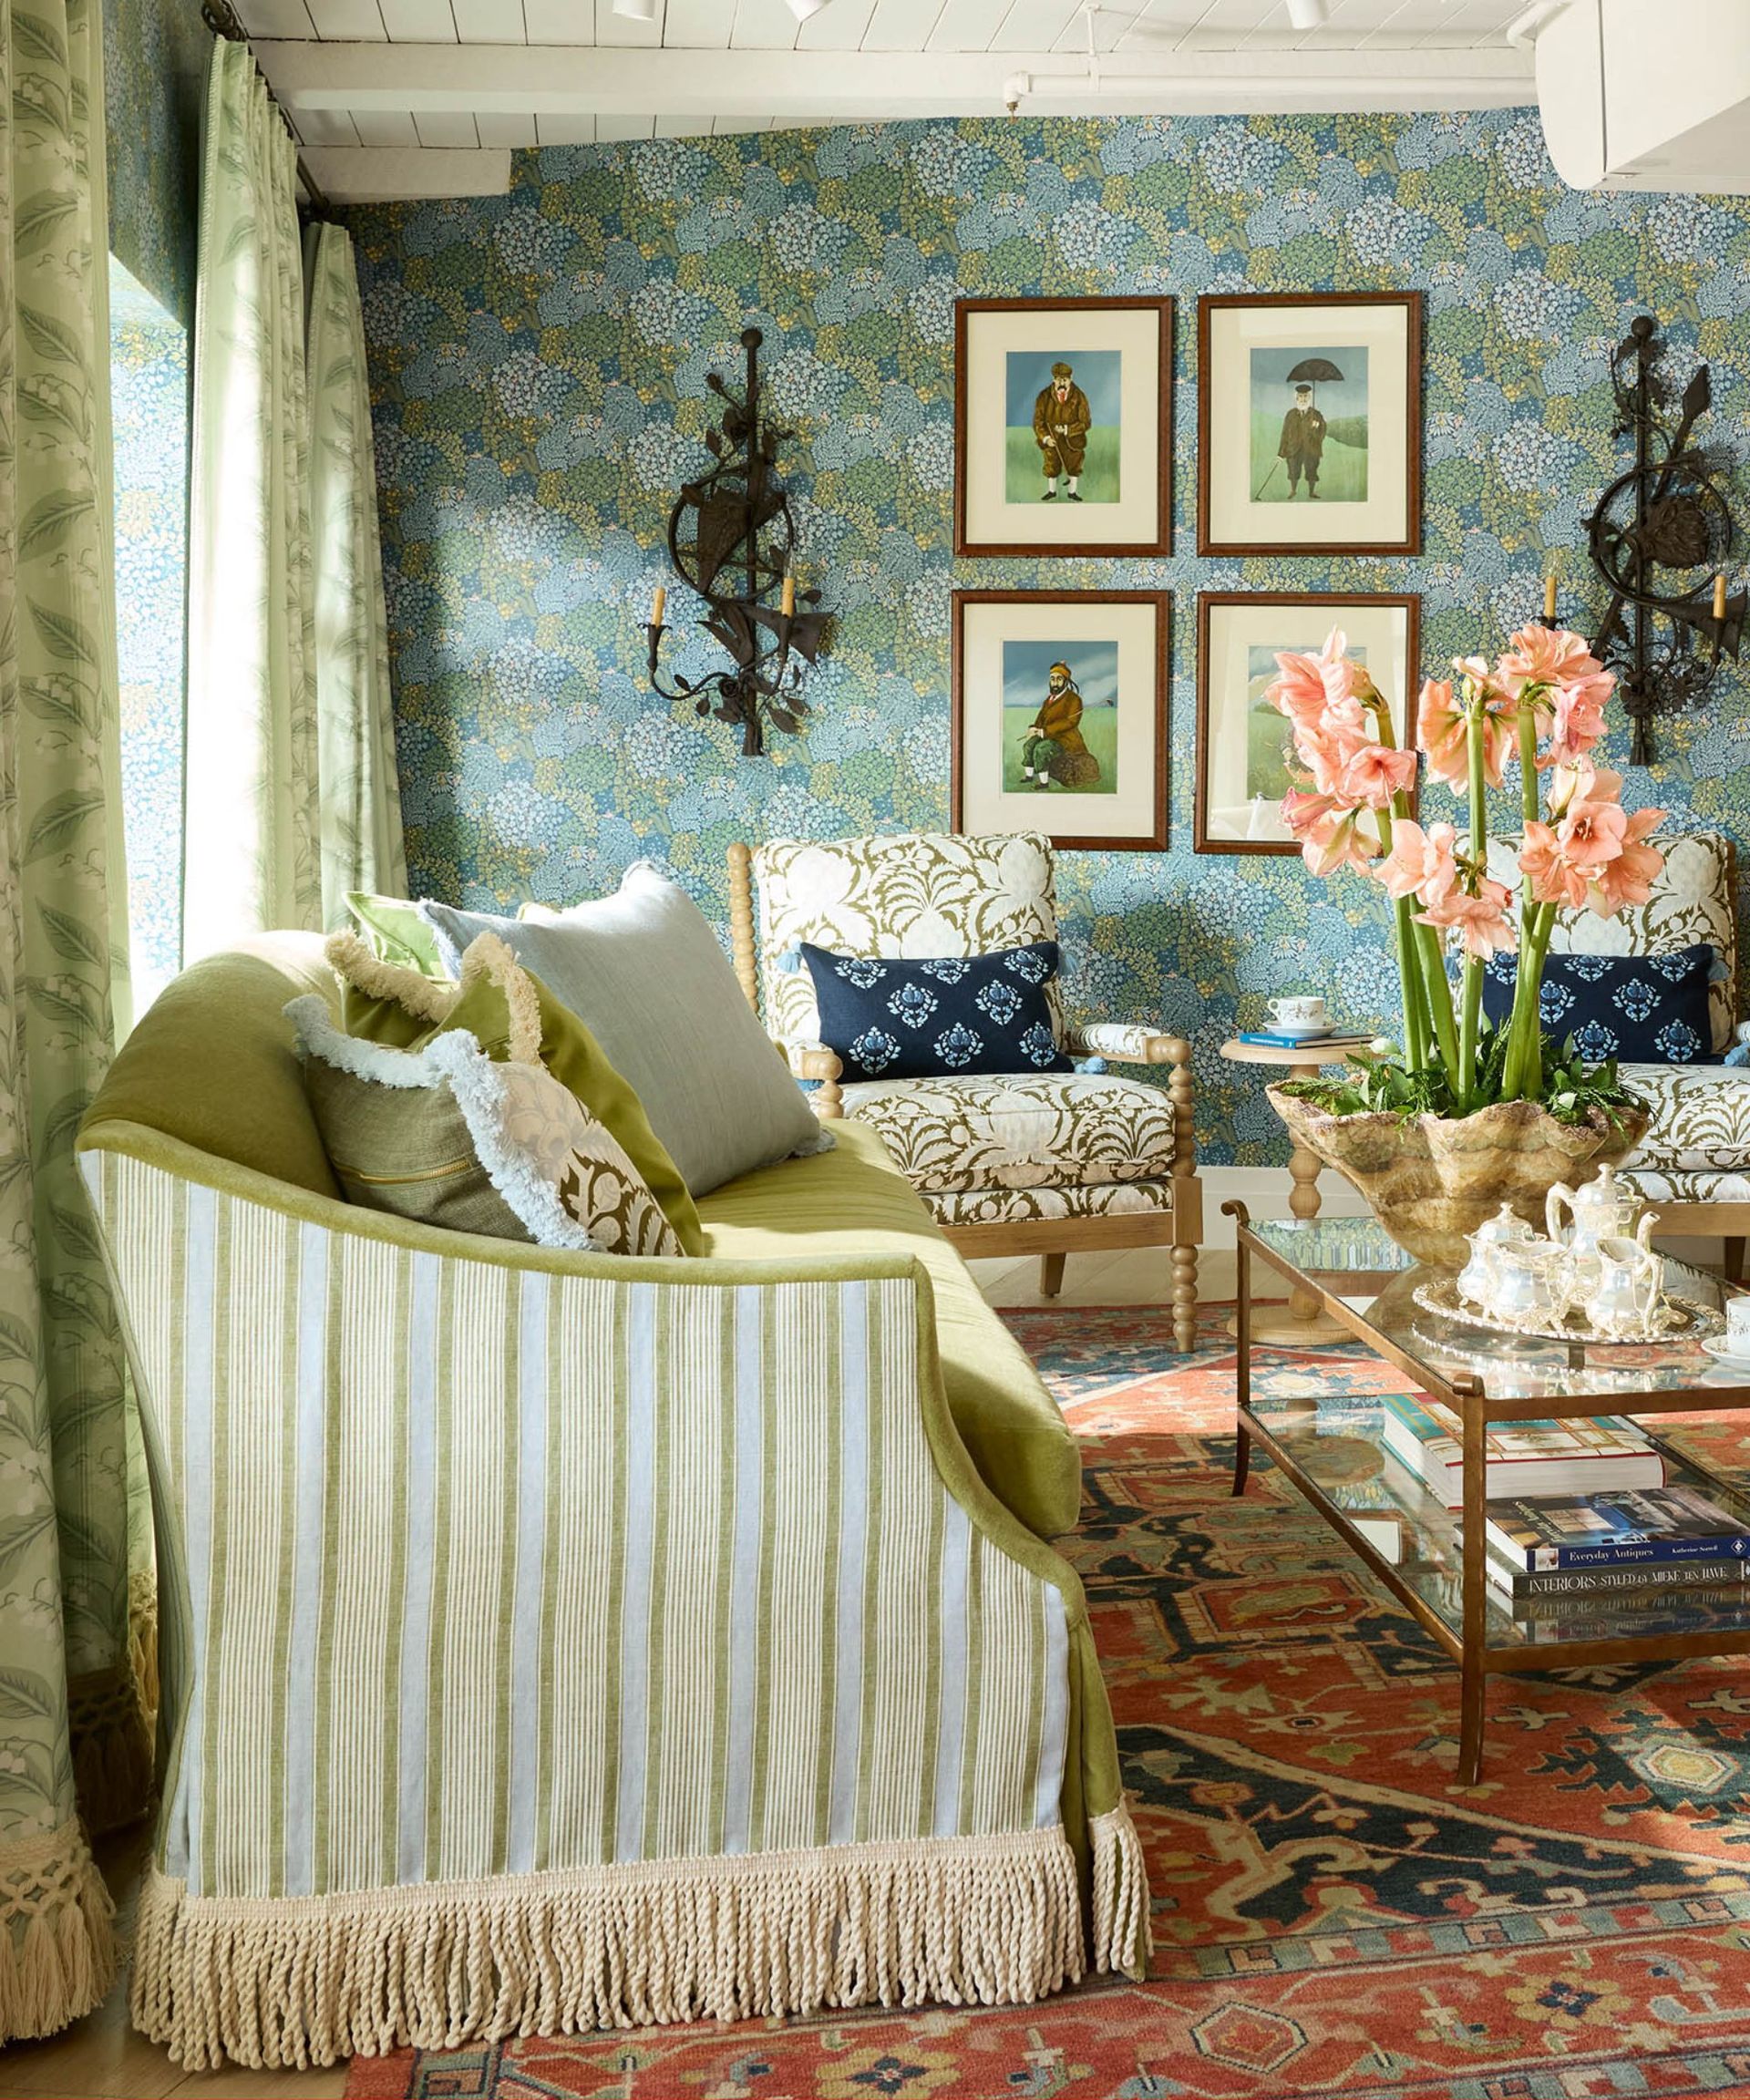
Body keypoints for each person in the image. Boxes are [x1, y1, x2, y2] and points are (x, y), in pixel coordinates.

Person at [1020, 662, 1101, 788]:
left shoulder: (1074, 699)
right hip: (1047, 735)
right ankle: (1029, 776)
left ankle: (1044, 783)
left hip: (1065, 740)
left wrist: (1044, 732)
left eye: (1059, 679)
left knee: (1041, 749)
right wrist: (1034, 728)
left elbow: (1071, 722)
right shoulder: (1048, 700)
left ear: (1066, 681)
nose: (1055, 682)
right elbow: (1041, 718)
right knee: (1028, 745)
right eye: (1052, 679)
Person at [1032, 362, 1091, 501]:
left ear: (1071, 379)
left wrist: (1067, 429)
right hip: (1052, 438)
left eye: (1065, 379)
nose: (1061, 382)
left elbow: (1086, 422)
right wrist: (1046, 438)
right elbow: (1038, 422)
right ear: (1053, 379)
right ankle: (1052, 491)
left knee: (1074, 464)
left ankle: (1072, 492)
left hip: (1073, 439)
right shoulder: (1044, 396)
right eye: (1058, 379)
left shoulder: (1079, 396)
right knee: (1051, 464)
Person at [1278, 380, 1326, 499]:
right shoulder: (1290, 415)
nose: (1303, 399)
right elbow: (1284, 434)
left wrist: (1316, 428)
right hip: (1294, 449)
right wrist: (1280, 453)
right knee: (1293, 471)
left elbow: (1323, 432)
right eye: (1300, 396)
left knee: (1312, 471)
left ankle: (1311, 492)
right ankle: (1293, 490)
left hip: (1311, 449)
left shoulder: (1316, 415)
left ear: (1309, 398)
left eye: (1305, 396)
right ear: (1296, 398)